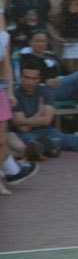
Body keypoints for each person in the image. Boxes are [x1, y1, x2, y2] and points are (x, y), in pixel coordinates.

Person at [0, 23, 17, 195]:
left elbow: (6, 68)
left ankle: (0, 181)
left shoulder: (3, 37)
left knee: (2, 141)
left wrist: (10, 92)